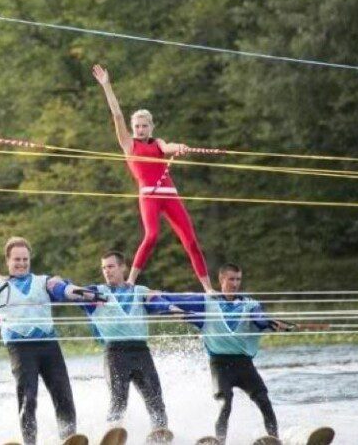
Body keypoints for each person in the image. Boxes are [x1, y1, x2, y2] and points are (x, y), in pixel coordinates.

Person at [91, 65, 213, 292]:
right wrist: (106, 85)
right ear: (132, 128)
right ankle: (131, 281)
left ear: (151, 127)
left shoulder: (157, 143)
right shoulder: (129, 145)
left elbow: (168, 147)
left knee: (191, 241)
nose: (140, 129)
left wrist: (181, 147)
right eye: (136, 126)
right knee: (152, 235)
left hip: (169, 194)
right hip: (149, 195)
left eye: (144, 126)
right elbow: (117, 115)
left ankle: (208, 288)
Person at [0, 237, 88, 445]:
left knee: (63, 394)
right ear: (7, 261)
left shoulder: (43, 281)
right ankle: (30, 442)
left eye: (25, 259)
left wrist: (72, 291)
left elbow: (60, 288)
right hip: (20, 349)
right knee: (28, 398)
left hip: (49, 347)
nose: (21, 263)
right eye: (17, 260)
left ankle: (69, 438)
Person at [166, 263, 291, 443]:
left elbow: (259, 319)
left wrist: (270, 324)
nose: (235, 283)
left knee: (264, 401)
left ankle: (274, 440)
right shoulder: (208, 302)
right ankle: (220, 442)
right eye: (231, 279)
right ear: (221, 280)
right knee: (225, 404)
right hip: (220, 366)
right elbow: (177, 301)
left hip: (244, 365)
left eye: (238, 279)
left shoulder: (250, 304)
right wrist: (158, 297)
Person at [72, 251, 173, 436]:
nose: (106, 271)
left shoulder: (139, 291)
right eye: (103, 268)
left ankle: (160, 433)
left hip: (141, 351)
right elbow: (71, 292)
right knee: (119, 399)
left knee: (155, 398)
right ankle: (112, 434)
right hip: (115, 353)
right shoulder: (97, 292)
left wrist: (172, 306)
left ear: (123, 267)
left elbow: (161, 304)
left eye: (110, 266)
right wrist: (59, 285)